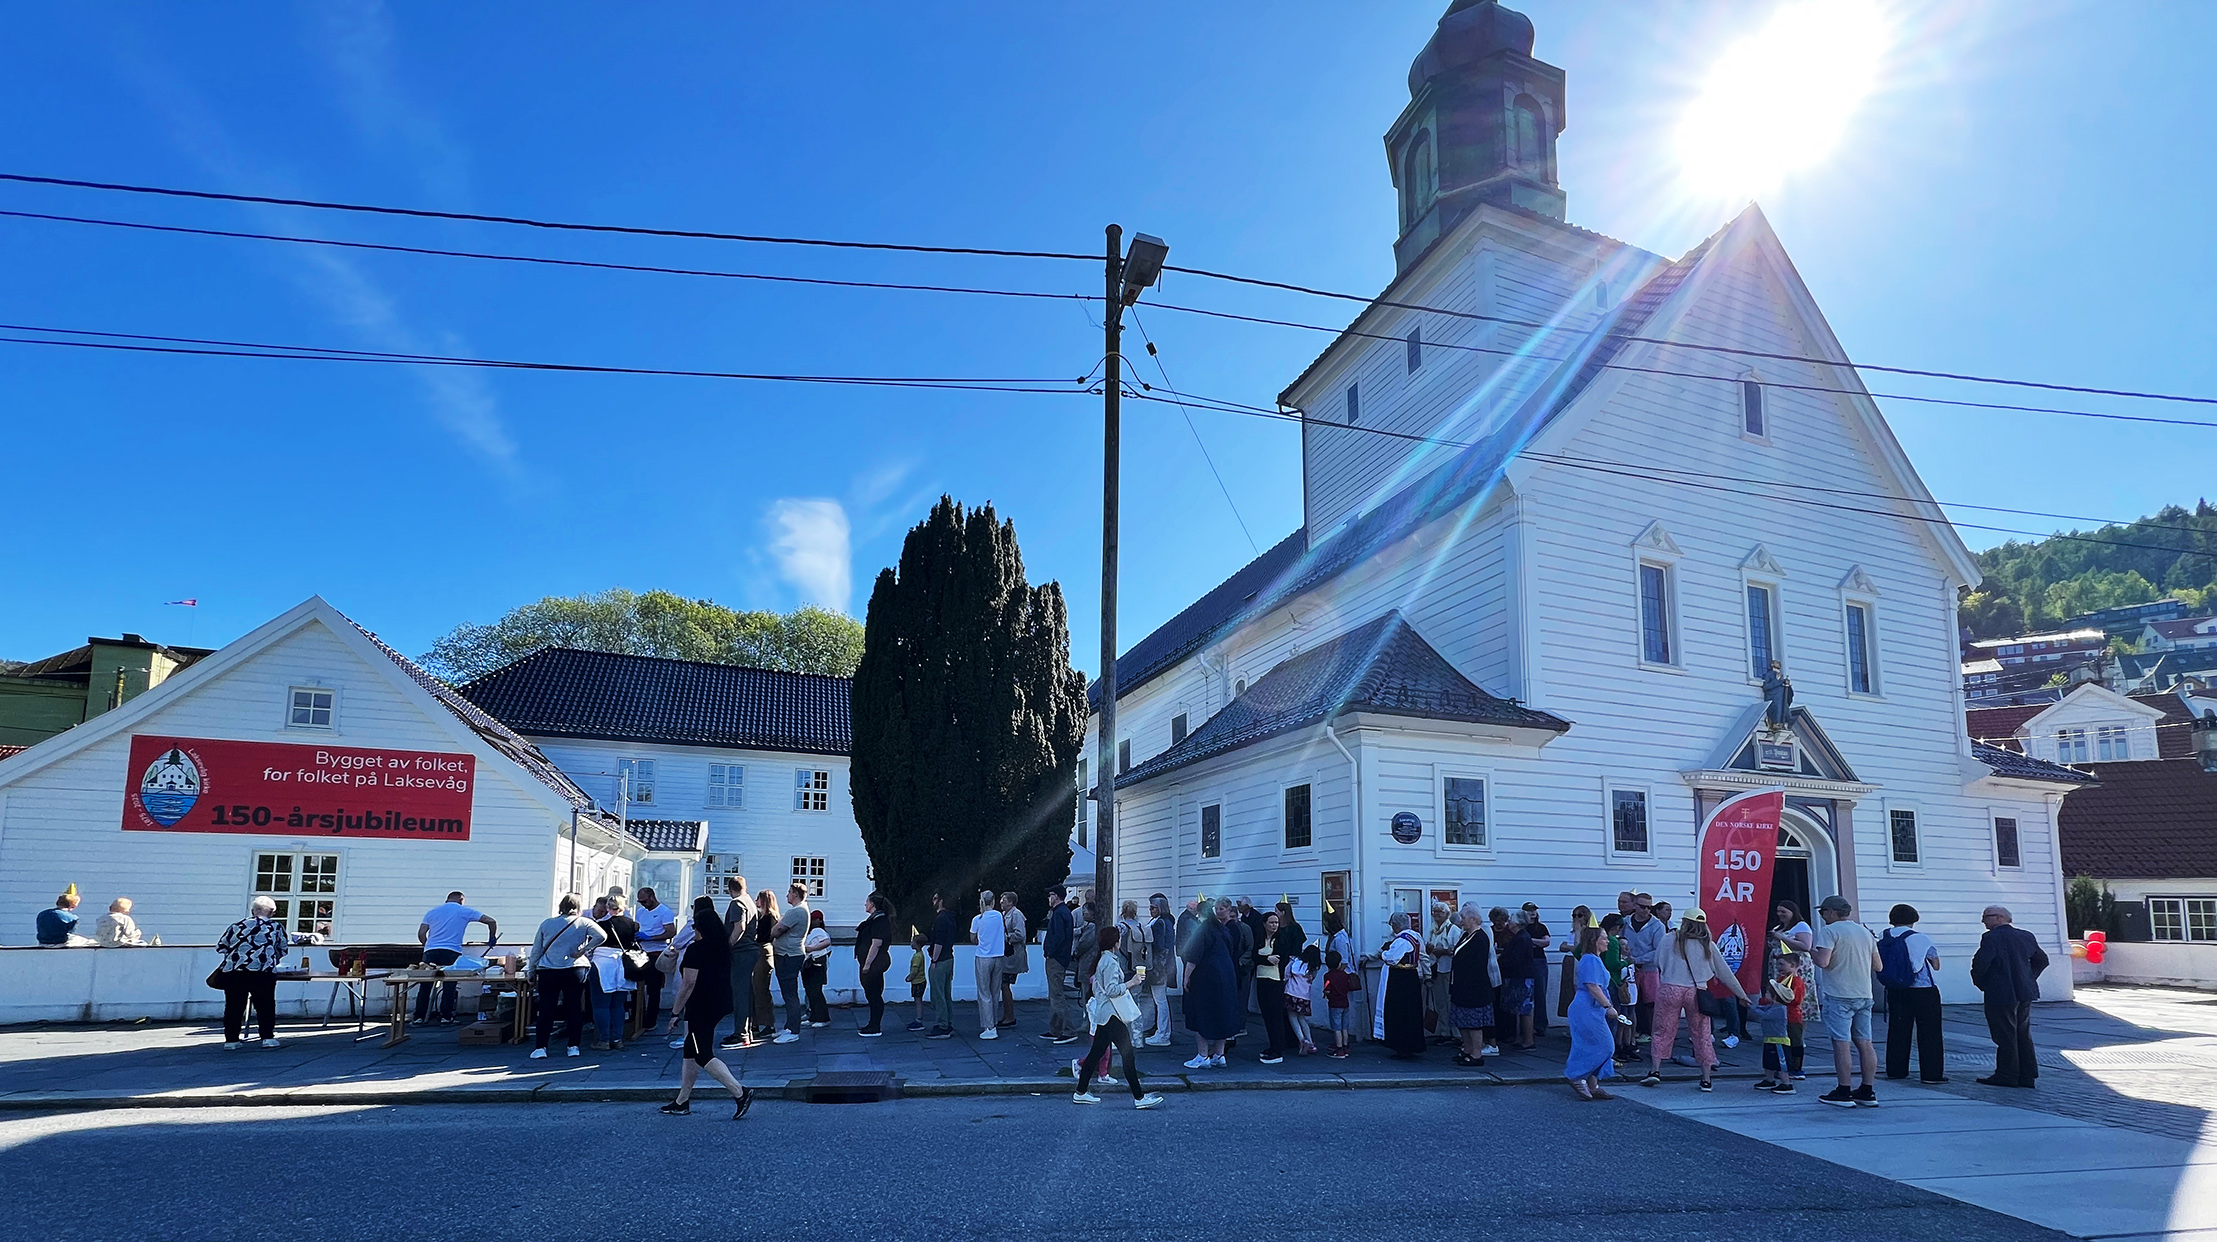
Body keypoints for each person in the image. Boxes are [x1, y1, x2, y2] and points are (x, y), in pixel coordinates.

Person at [658, 896, 753, 1119]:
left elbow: (688, 984)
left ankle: (740, 1092)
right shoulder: (721, 947)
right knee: (690, 1052)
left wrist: (674, 1013)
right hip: (718, 1002)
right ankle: (682, 1101)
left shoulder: (696, 950)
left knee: (702, 1054)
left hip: (701, 1005)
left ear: (699, 928)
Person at [1641, 908, 1750, 1092]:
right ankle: (1706, 1079)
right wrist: (1742, 995)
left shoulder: (1669, 938)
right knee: (1702, 1034)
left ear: (1684, 921)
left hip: (1670, 987)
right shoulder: (1707, 944)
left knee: (1662, 1031)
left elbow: (1658, 960)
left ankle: (1655, 1071)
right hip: (1697, 991)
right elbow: (1724, 973)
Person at [1072, 925, 1166, 1109]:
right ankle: (1139, 1097)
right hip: (1112, 1014)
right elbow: (1112, 990)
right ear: (1116, 943)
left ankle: (1081, 1091)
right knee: (1127, 1056)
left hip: (1106, 1015)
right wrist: (1132, 982)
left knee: (1095, 1055)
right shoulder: (1110, 962)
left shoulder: (1103, 960)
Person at [1809, 894, 1881, 1107]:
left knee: (1841, 1043)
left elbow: (1823, 961)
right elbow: (1878, 966)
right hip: (1864, 993)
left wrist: (1809, 951)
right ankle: (1867, 1090)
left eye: (1823, 912)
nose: (1822, 916)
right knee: (1865, 1042)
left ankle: (1844, 1090)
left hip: (1839, 993)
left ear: (1832, 912)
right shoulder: (1865, 932)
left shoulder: (1829, 931)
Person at [214, 896, 311, 1049]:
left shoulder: (236, 926)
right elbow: (282, 949)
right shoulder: (276, 927)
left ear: (253, 911)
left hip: (234, 972)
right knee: (265, 1004)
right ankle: (267, 1037)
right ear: (272, 912)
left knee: (234, 1006)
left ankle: (231, 1040)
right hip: (263, 971)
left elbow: (222, 946)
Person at [1970, 906, 2050, 1089]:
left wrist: (1982, 983)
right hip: (2024, 992)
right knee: (2022, 1034)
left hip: (2000, 993)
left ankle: (2007, 1074)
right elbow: (2042, 960)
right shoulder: (2026, 935)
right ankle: (2027, 1075)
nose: (1983, 921)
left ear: (1999, 917)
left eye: (1986, 917)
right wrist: (2028, 978)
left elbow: (1981, 963)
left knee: (2004, 1034)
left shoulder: (1991, 937)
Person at [527, 892, 607, 1059]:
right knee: (574, 1007)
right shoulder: (584, 922)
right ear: (578, 907)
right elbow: (602, 936)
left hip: (548, 969)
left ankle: (540, 1047)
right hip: (575, 968)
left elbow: (537, 950)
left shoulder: (547, 923)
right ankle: (573, 1046)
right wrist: (584, 950)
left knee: (546, 1008)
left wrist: (531, 970)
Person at [1880, 903, 1947, 1084]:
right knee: (1929, 1032)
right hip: (1923, 990)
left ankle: (1896, 1070)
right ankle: (1932, 1074)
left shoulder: (1883, 936)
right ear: (1914, 919)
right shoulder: (1921, 938)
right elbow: (1936, 965)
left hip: (1895, 989)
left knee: (1898, 1030)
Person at [412, 891, 497, 1026]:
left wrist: (428, 946)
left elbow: (421, 933)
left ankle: (418, 1017)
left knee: (425, 984)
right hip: (451, 951)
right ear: (461, 900)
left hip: (430, 951)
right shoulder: (464, 911)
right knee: (449, 984)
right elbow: (491, 921)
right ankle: (446, 1017)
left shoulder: (432, 912)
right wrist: (491, 938)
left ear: (447, 899)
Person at [1181, 898, 1243, 1068]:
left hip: (1206, 977)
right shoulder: (1223, 929)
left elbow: (1194, 957)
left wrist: (1186, 977)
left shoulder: (1202, 930)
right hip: (1226, 975)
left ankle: (1202, 1055)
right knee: (1221, 1013)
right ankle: (1219, 1054)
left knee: (1201, 1014)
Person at [1565, 923, 1621, 1101]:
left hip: (1591, 1009)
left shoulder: (1593, 959)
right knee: (1605, 1045)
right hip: (1586, 1008)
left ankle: (1592, 1084)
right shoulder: (1589, 959)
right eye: (1604, 938)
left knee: (1592, 1044)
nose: (1608, 941)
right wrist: (1608, 1006)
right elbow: (1592, 986)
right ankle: (1575, 1075)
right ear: (1594, 941)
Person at [1448, 902, 1496, 1068]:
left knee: (1474, 1023)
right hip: (1461, 985)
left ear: (1474, 919)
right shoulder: (1465, 935)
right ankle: (1467, 1049)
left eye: (1464, 918)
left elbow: (1477, 965)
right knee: (1462, 1021)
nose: (1461, 921)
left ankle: (1476, 1053)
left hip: (1474, 988)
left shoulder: (1480, 938)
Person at [590, 894, 639, 1050]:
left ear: (607, 908)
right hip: (623, 964)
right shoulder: (633, 924)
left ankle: (603, 1040)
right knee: (619, 1004)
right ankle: (618, 1039)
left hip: (602, 963)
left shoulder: (601, 925)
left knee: (601, 1004)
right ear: (623, 906)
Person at [1770, 899, 1822, 1046]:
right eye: (1778, 911)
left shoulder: (1801, 926)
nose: (1780, 914)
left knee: (1798, 999)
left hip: (1798, 969)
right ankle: (1784, 1034)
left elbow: (1806, 946)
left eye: (1783, 911)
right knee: (1781, 998)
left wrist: (1782, 938)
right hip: (1780, 969)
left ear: (1793, 912)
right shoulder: (1780, 926)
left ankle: (1799, 1037)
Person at [720, 877, 764, 1050]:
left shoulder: (737, 904)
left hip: (741, 952)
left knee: (740, 993)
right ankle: (748, 1031)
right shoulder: (750, 902)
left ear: (730, 889)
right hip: (751, 950)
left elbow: (740, 927)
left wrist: (729, 945)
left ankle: (741, 1034)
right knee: (747, 992)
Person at [1375, 911, 1426, 1058]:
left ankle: (1402, 1046)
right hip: (1411, 976)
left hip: (1400, 979)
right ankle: (1409, 1044)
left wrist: (1383, 954)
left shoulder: (1402, 940)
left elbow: (1392, 958)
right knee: (1411, 1011)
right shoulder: (1415, 936)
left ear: (1396, 925)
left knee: (1399, 1011)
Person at [1755, 951, 1806, 1092]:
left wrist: (1778, 1001)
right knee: (1776, 1049)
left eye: (1782, 964)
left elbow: (1796, 999)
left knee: (1795, 1043)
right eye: (1778, 964)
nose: (1779, 967)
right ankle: (1773, 1075)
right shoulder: (1780, 979)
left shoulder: (1797, 981)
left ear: (1793, 965)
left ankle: (1796, 1069)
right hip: (1779, 1021)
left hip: (1793, 1018)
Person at [632, 887, 677, 1033]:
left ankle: (651, 1020)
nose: (643, 904)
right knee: (637, 987)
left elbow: (671, 932)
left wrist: (651, 937)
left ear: (652, 897)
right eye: (640, 901)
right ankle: (637, 1016)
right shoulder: (640, 912)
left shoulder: (664, 911)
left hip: (656, 953)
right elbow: (637, 927)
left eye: (644, 901)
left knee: (653, 989)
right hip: (641, 952)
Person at [1491, 907, 1536, 1050]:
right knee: (1517, 1009)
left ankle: (1528, 1041)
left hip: (1522, 978)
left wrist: (1500, 961)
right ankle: (1519, 1038)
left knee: (1525, 1010)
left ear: (1517, 923)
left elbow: (1516, 959)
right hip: (1516, 977)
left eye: (1510, 920)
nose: (1508, 922)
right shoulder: (1518, 936)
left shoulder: (1522, 938)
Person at [769, 885, 810, 1041]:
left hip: (789, 955)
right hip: (789, 954)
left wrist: (773, 931)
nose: (787, 895)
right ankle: (789, 1026)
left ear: (795, 894)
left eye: (789, 893)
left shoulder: (797, 911)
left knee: (790, 994)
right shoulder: (801, 909)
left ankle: (793, 1031)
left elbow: (778, 929)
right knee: (788, 994)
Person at [1252, 910, 1294, 1064]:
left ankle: (1278, 1050)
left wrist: (1265, 959)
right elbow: (1254, 957)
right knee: (1267, 1016)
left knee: (1275, 1016)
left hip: (1275, 980)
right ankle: (1272, 1045)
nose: (1274, 925)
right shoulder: (1259, 939)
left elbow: (1278, 960)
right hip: (1261, 979)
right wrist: (1265, 958)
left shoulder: (1281, 940)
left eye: (1276, 922)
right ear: (1264, 924)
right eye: (1271, 922)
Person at [1623, 893, 1664, 1042]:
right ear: (1634, 905)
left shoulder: (1657, 925)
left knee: (1651, 1003)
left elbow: (1658, 950)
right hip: (1629, 968)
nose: (1646, 910)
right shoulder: (1625, 922)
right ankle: (1633, 1031)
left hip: (1649, 968)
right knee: (1631, 1001)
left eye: (1649, 907)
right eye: (1642, 906)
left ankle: (1652, 1032)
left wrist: (1638, 959)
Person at [1042, 884, 1077, 1042]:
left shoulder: (1059, 913)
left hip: (1056, 959)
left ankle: (1067, 1030)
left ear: (1056, 896)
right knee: (1055, 994)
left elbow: (1058, 937)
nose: (1049, 898)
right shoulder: (1063, 912)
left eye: (1050, 895)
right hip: (1059, 958)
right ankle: (1056, 1029)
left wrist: (1050, 952)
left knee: (1057, 995)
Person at [855, 892, 893, 1036]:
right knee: (872, 994)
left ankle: (875, 1026)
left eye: (867, 901)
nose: (865, 904)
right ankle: (872, 1023)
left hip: (875, 963)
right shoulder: (876, 919)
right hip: (873, 963)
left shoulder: (880, 921)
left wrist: (867, 964)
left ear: (872, 904)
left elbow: (876, 944)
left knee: (874, 994)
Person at [1599, 913, 1635, 1062]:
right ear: (1617, 927)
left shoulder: (1595, 937)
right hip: (1612, 982)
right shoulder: (1612, 941)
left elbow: (1577, 952)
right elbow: (1612, 964)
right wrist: (1627, 962)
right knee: (1613, 1018)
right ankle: (1610, 1051)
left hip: (1598, 980)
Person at [970, 889, 1005, 1038]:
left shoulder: (978, 919)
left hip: (983, 957)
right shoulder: (999, 916)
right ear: (994, 901)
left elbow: (973, 938)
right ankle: (994, 1022)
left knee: (984, 993)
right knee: (995, 991)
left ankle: (989, 1027)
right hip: (998, 956)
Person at [927, 892, 961, 1039]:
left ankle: (942, 1025)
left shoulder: (941, 919)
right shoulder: (950, 918)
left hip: (940, 961)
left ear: (941, 901)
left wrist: (934, 960)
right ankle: (947, 1022)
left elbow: (939, 942)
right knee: (946, 994)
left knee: (938, 994)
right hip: (949, 959)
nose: (932, 901)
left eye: (935, 898)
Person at [1143, 893, 1177, 1045]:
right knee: (1159, 1001)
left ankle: (1163, 1033)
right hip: (1159, 966)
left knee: (1160, 1001)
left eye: (1153, 907)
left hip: (1158, 967)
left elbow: (1162, 947)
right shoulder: (1162, 921)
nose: (1151, 910)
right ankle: (1161, 1031)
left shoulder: (1161, 923)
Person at [1424, 901, 1458, 1046]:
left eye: (1440, 912)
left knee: (1451, 1001)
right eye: (1435, 911)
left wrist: (1442, 951)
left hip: (1448, 969)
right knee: (1440, 1002)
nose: (1437, 914)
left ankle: (1457, 1033)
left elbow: (1457, 950)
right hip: (1434, 969)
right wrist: (1429, 949)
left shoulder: (1453, 929)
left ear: (1447, 914)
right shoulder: (1430, 929)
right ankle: (1444, 1032)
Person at [1322, 949, 1360, 1058]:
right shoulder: (1345, 975)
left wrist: (1325, 993)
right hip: (1345, 1003)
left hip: (1334, 1004)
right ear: (1339, 963)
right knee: (1344, 1027)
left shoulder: (1328, 976)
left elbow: (1327, 990)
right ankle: (1345, 1047)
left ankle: (1338, 1049)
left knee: (1336, 1028)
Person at [997, 891, 1027, 1028]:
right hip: (1007, 956)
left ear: (1011, 902)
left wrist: (1006, 938)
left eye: (1003, 900)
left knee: (1005, 985)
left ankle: (1010, 1016)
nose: (1001, 902)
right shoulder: (1004, 915)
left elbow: (1020, 934)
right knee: (1003, 985)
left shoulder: (1016, 915)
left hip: (1012, 956)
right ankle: (1007, 1015)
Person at [1522, 902, 1552, 1038]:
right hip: (1525, 962)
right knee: (1526, 995)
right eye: (1529, 910)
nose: (1532, 912)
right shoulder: (1521, 928)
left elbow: (1546, 942)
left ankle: (1540, 1025)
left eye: (1534, 910)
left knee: (1540, 993)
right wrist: (1535, 942)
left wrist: (1530, 941)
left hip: (1539, 961)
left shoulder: (1541, 927)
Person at [802, 910, 833, 1026]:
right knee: (811, 991)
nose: (813, 921)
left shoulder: (818, 931)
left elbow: (827, 942)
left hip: (816, 963)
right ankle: (814, 1016)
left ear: (819, 921)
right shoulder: (812, 932)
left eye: (815, 919)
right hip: (811, 963)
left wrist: (812, 948)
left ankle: (822, 1018)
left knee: (815, 991)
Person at [905, 932, 930, 1032]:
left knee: (918, 1001)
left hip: (917, 982)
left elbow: (915, 970)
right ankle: (918, 1019)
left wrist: (909, 978)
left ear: (918, 945)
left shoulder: (917, 957)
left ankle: (919, 1020)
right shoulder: (920, 955)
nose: (911, 944)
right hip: (921, 981)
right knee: (918, 1000)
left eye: (913, 942)